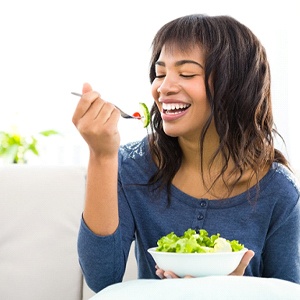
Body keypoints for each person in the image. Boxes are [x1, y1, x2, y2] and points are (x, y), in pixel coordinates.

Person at [72, 14, 300, 292]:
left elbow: (289, 291)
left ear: (235, 87)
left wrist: (234, 292)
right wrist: (102, 156)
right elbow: (102, 279)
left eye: (187, 73)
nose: (164, 88)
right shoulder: (132, 167)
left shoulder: (276, 188)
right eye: (160, 74)